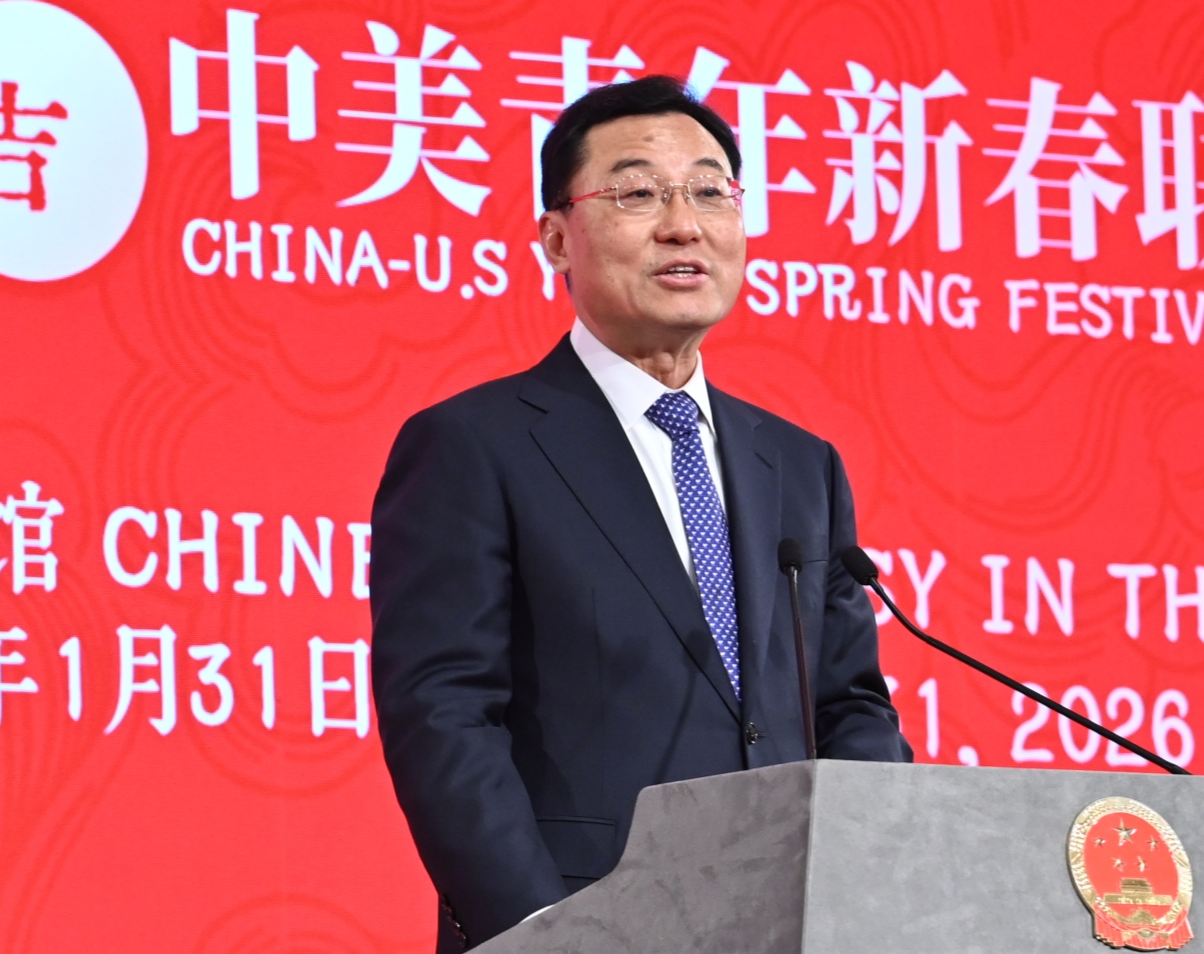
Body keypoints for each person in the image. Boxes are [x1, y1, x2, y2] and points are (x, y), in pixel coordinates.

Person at [368, 75, 911, 951]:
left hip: (790, 924)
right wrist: (547, 930)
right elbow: (444, 713)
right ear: (556, 236)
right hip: (587, 924)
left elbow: (849, 705)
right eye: (637, 192)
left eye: (709, 190)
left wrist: (876, 884)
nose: (682, 224)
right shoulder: (476, 444)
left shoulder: (800, 465)